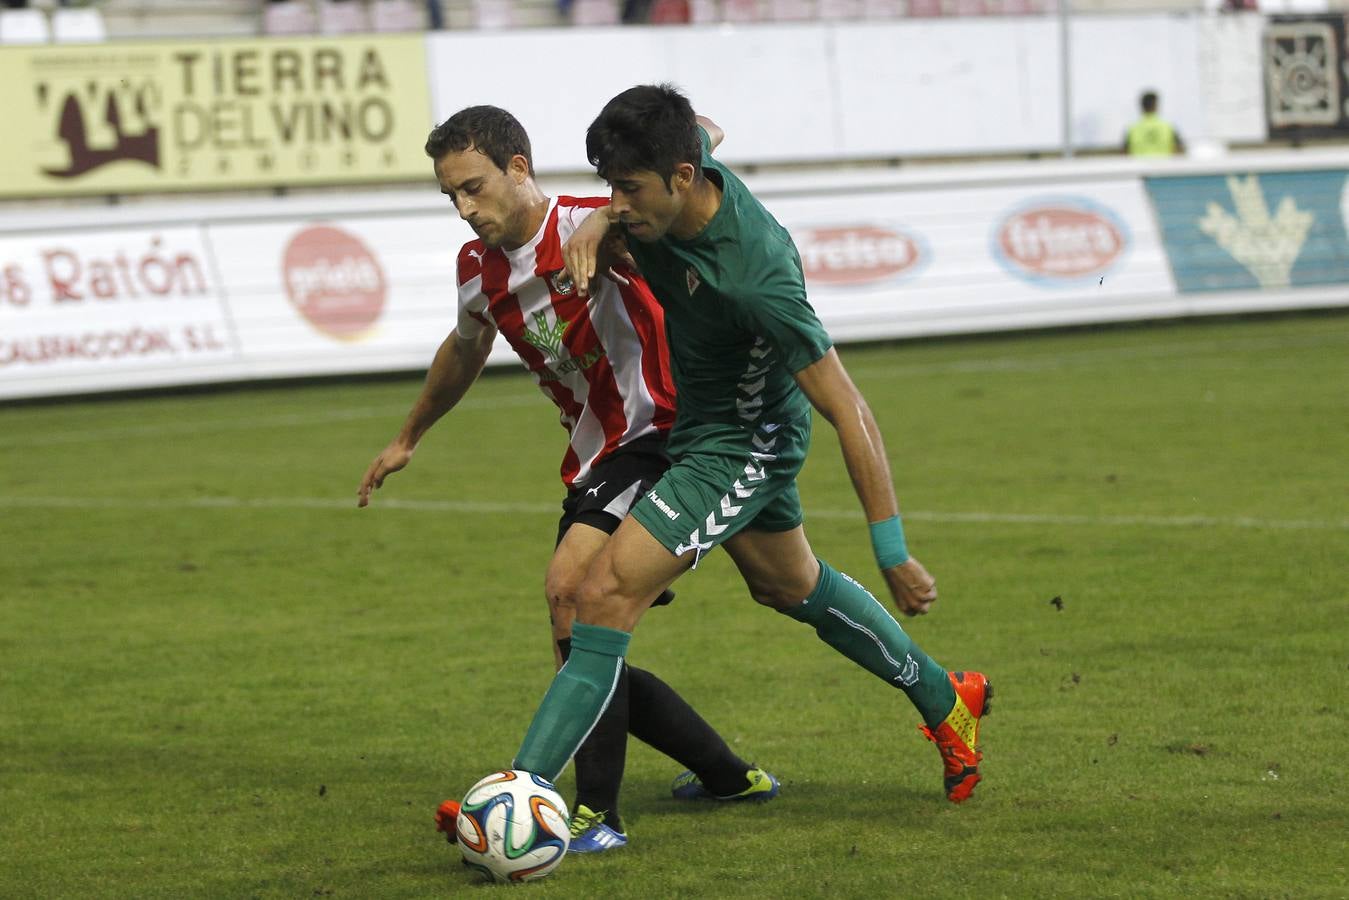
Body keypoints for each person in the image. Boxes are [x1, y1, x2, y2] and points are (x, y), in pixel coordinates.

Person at [508, 84, 992, 813]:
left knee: (599, 596)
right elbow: (707, 126)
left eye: (629, 189)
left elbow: (849, 408)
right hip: (699, 428)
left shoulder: (756, 275)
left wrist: (891, 549)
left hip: (741, 450)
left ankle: (525, 794)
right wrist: (605, 217)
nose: (620, 203)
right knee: (786, 586)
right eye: (612, 186)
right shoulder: (671, 174)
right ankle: (944, 697)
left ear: (680, 178)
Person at [357, 105, 778, 854]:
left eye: (475, 187)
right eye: (450, 194)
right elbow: (463, 351)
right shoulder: (477, 270)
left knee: (569, 594)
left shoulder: (598, 219)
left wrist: (607, 217)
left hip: (662, 433)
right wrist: (407, 437)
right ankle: (726, 777)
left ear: (519, 167)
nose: (465, 207)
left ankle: (593, 815)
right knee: (584, 639)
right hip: (595, 460)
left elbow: (702, 134)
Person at [1125, 91, 1185, 157]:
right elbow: (1180, 150)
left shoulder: (1132, 129)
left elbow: (1125, 153)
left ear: (1142, 106)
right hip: (1165, 166)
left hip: (1139, 166)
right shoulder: (1168, 127)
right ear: (1155, 105)